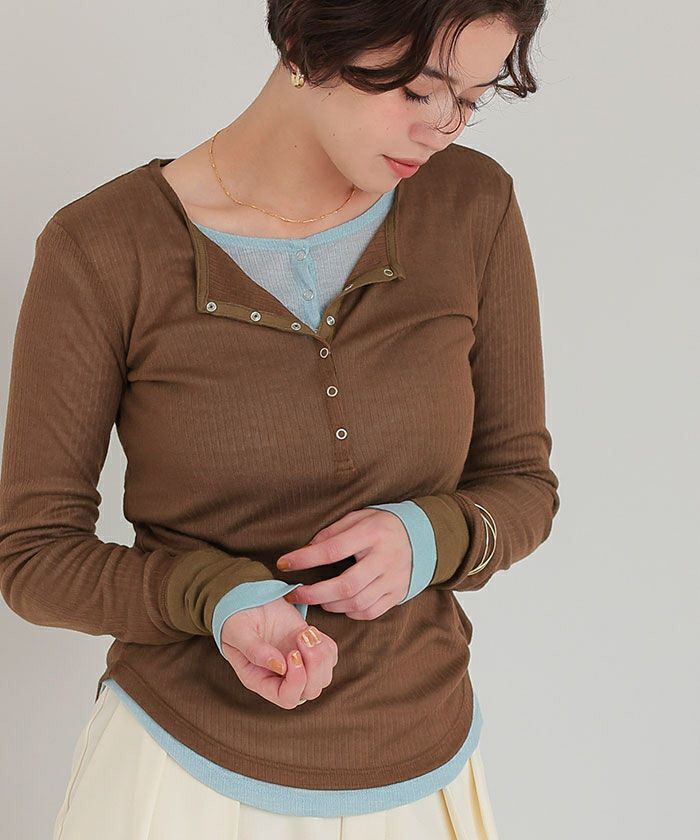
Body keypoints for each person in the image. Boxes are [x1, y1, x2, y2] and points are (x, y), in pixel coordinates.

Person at [0, 1, 560, 838]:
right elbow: (34, 557)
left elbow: (522, 486)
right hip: (177, 777)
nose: (443, 129)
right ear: (305, 39)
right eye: (418, 91)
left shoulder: (472, 206)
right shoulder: (103, 247)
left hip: (423, 771)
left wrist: (429, 537)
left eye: (471, 101)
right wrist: (215, 596)